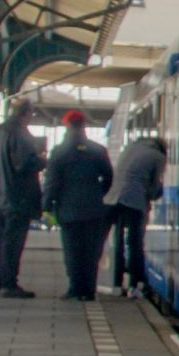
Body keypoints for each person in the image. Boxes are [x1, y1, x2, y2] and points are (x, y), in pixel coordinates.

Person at [44, 111, 114, 301]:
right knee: (91, 251)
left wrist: (47, 205)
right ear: (84, 126)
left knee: (72, 250)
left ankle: (75, 289)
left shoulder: (59, 151)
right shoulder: (98, 150)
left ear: (67, 126)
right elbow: (109, 177)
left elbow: (52, 182)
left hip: (68, 209)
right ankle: (89, 290)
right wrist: (99, 193)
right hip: (94, 208)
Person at [0, 100, 45, 299]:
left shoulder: (0, 131)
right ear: (28, 113)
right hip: (18, 197)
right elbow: (23, 164)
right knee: (12, 244)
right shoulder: (20, 133)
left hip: (0, 197)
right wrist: (42, 159)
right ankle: (8, 284)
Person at [105, 129, 166, 298]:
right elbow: (153, 187)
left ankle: (116, 283)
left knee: (118, 241)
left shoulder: (130, 148)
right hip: (134, 200)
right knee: (135, 242)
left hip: (114, 199)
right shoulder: (158, 157)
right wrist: (156, 194)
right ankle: (134, 284)